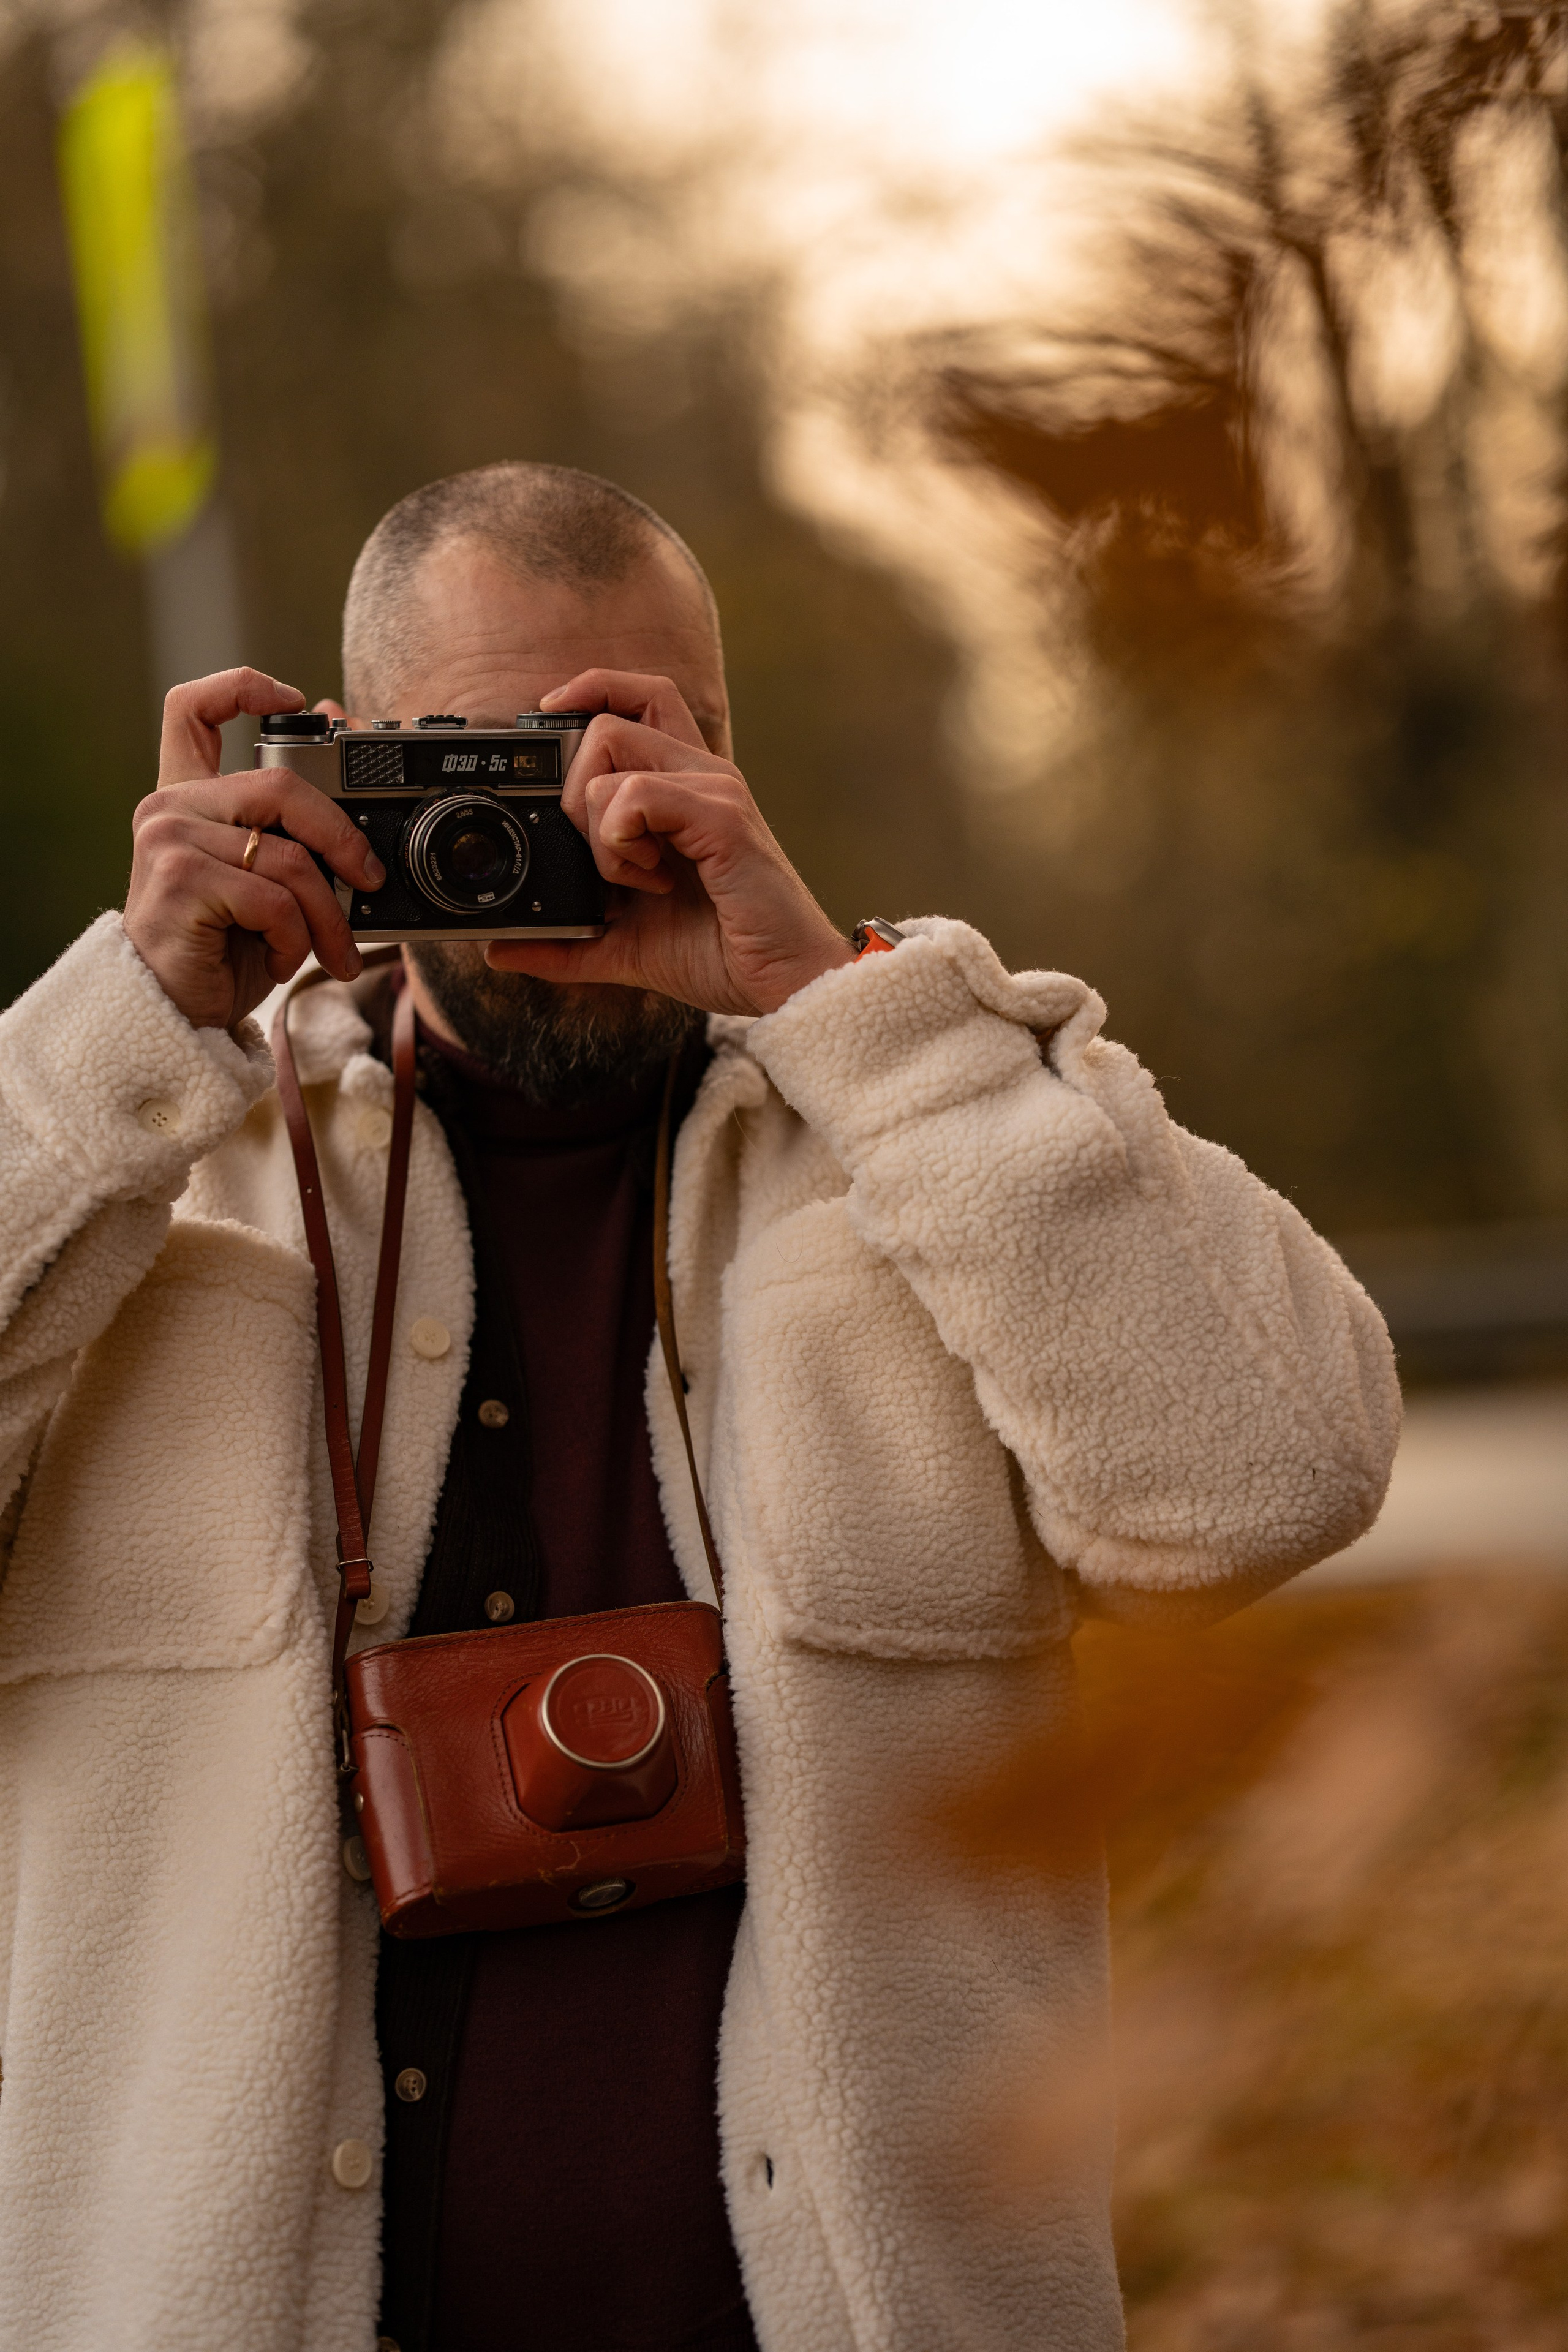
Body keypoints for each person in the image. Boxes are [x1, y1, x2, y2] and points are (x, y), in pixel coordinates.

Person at [0, 462, 1399, 2352]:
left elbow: (1275, 1483)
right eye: (470, 767)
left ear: (720, 756)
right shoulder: (148, 1170)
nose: (542, 834)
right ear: (328, 780)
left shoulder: (926, 1122)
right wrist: (122, 1039)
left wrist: (846, 1008)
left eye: (610, 748)